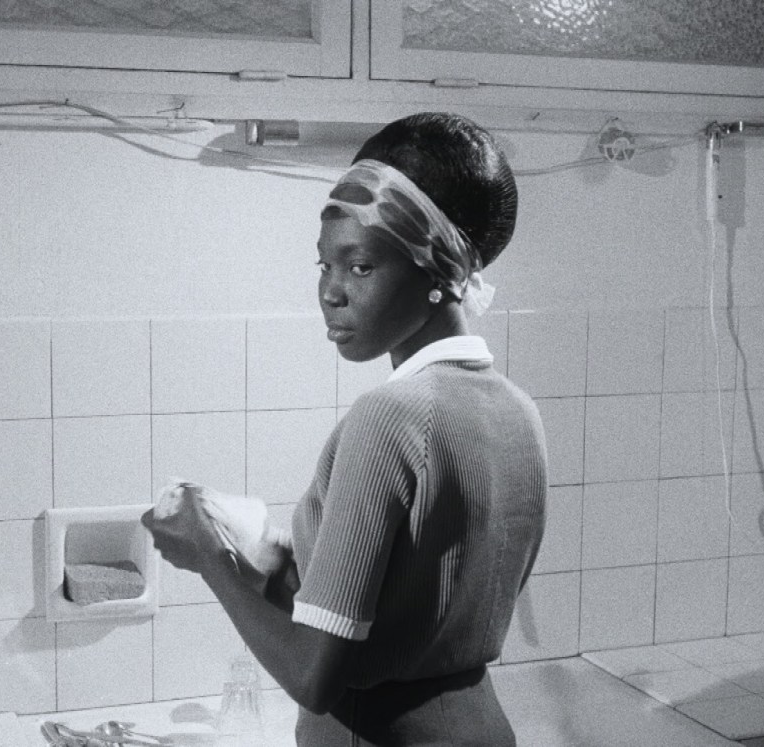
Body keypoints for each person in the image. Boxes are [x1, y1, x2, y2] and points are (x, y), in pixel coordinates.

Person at [142, 112, 547, 746]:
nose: (331, 292)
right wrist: (271, 555)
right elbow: (414, 608)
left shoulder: (387, 418)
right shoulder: (521, 412)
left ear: (437, 271)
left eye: (359, 267)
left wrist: (210, 557)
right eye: (324, 265)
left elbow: (316, 677)